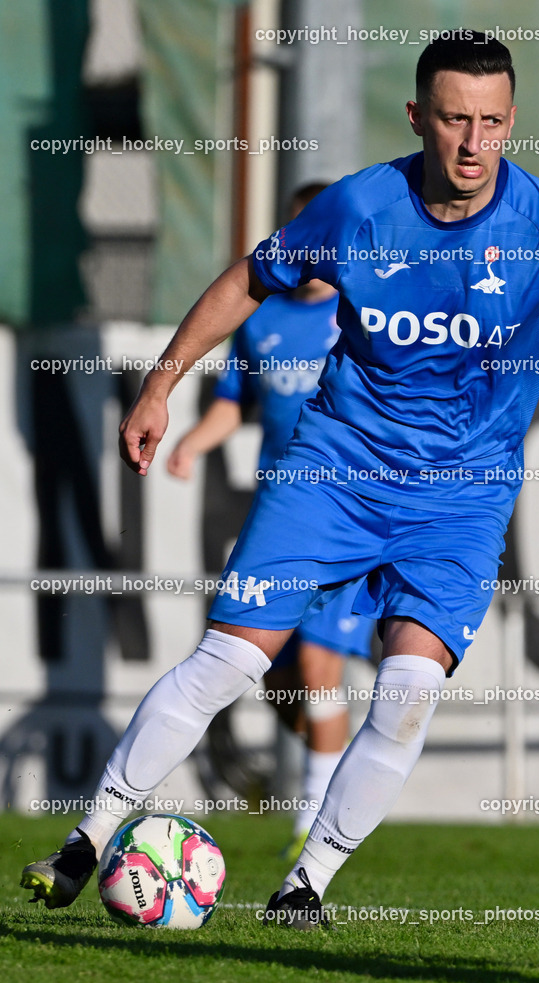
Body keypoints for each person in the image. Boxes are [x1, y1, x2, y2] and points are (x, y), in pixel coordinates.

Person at [22, 32, 539, 928]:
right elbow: (249, 278)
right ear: (416, 118)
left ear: (510, 121)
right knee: (230, 663)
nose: (473, 143)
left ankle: (304, 883)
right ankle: (86, 844)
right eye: (452, 120)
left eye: (490, 122)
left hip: (463, 497)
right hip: (334, 471)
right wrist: (162, 386)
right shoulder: (359, 209)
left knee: (405, 697)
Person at [166, 182, 374, 858]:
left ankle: (312, 827)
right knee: (275, 680)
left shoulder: (362, 312)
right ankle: (334, 773)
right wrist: (195, 442)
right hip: (281, 518)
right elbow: (237, 402)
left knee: (319, 665)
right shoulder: (260, 320)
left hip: (346, 516)